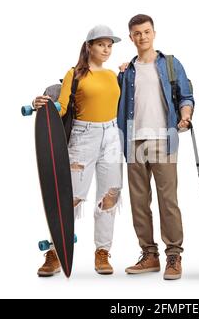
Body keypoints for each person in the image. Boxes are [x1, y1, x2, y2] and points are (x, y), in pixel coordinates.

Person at [32, 25, 123, 277]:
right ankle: (54, 250)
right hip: (84, 137)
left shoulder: (113, 75)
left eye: (110, 45)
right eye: (101, 44)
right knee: (70, 197)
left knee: (110, 195)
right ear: (89, 46)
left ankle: (102, 252)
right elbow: (61, 107)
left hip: (112, 136)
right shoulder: (75, 74)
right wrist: (43, 105)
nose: (106, 49)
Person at [117, 14, 194, 280]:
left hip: (164, 139)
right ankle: (149, 255)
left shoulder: (170, 64)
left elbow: (186, 96)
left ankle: (173, 254)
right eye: (137, 33)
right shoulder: (126, 72)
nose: (142, 37)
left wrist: (186, 115)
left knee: (168, 200)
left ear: (154, 33)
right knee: (139, 202)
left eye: (146, 31)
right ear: (131, 37)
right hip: (134, 140)